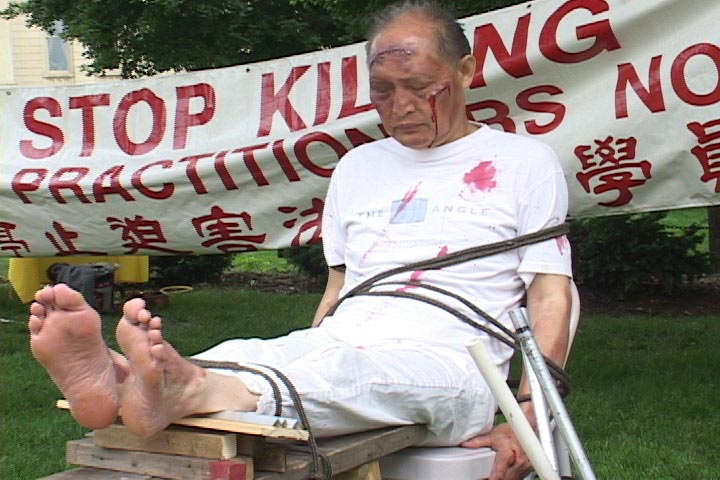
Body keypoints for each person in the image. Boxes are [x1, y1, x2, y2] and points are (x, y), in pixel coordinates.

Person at [28, 2, 572, 479]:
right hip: (346, 338)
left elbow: (551, 295)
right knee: (261, 352)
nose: (401, 106)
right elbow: (339, 288)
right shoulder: (358, 167)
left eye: (420, 87)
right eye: (383, 90)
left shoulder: (523, 162)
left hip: (453, 364)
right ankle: (129, 382)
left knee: (352, 374)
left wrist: (531, 411)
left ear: (466, 71)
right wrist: (313, 341)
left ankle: (181, 387)